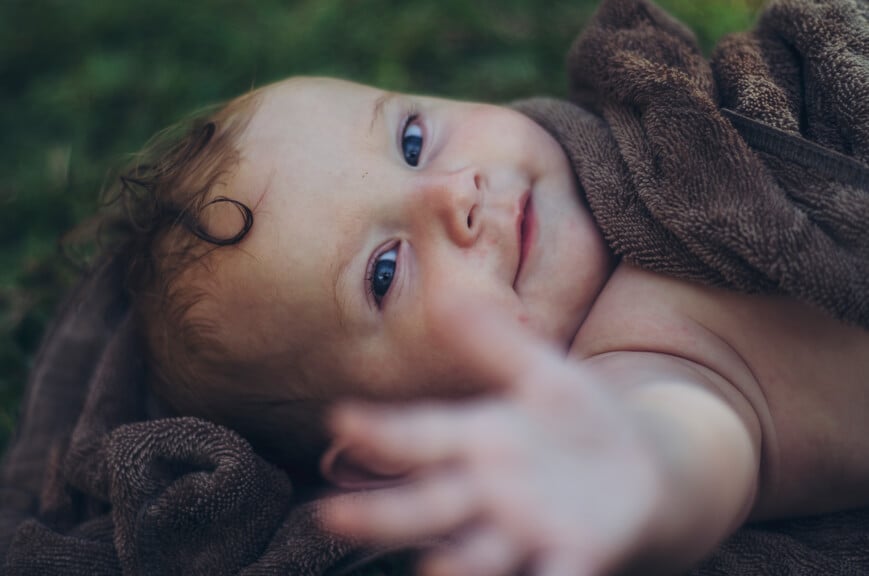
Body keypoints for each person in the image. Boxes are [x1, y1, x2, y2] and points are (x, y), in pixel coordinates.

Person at [106, 0, 869, 574]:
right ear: (387, 458)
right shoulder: (635, 364)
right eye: (384, 270)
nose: (451, 193)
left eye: (410, 141)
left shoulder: (674, 124)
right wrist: (624, 472)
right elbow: (682, 443)